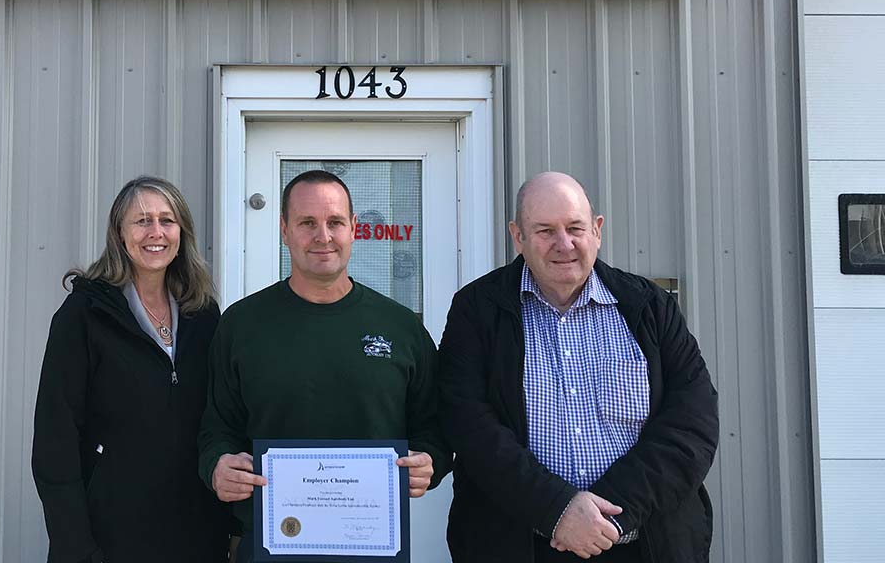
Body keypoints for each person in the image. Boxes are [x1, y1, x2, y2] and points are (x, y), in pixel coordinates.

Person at [438, 172, 719, 562]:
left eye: (575, 228)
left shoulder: (649, 308)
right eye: (544, 231)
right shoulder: (477, 311)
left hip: (646, 543)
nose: (563, 244)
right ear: (517, 236)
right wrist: (557, 510)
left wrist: (608, 514)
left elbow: (692, 425)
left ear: (597, 230)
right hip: (522, 545)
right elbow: (469, 425)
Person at [198, 169, 450, 563]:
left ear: (353, 228)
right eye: (307, 223)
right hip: (270, 545)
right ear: (284, 230)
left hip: (372, 547)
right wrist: (217, 467)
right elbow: (217, 428)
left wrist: (428, 463)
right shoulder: (242, 324)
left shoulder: (400, 328)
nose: (323, 236)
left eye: (334, 222)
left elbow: (435, 429)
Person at [32, 176, 229, 563]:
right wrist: (76, 546)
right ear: (120, 234)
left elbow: (219, 420)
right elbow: (55, 440)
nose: (155, 232)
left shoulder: (203, 315)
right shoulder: (84, 315)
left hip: (195, 533)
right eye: (141, 221)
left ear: (181, 232)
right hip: (111, 536)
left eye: (166, 220)